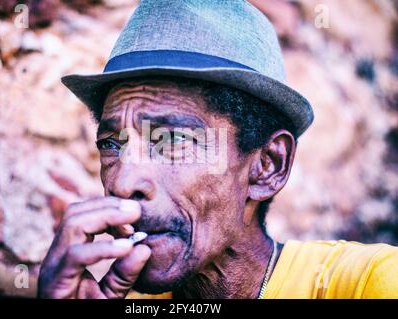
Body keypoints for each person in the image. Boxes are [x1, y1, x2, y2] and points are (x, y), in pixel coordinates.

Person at [38, 0, 398, 299]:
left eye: (171, 140)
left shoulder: (373, 283)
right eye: (111, 144)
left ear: (267, 165)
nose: (122, 182)